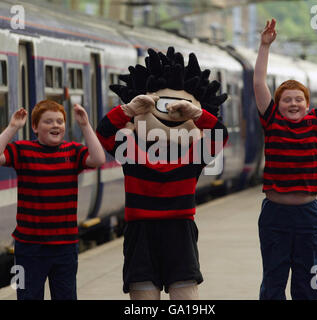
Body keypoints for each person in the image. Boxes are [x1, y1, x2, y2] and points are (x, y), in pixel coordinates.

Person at [96, 47, 228, 300]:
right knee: (151, 295)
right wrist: (130, 109)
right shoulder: (134, 149)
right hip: (145, 231)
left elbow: (219, 135)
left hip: (176, 230)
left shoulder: (186, 154)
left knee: (183, 295)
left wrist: (195, 112)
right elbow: (102, 133)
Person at [253, 18, 317, 300]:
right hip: (274, 215)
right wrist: (264, 46)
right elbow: (259, 82)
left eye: (299, 99)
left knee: (307, 283)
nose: (293, 103)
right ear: (278, 103)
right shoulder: (271, 120)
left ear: (308, 105)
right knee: (273, 281)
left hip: (308, 215)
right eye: (287, 99)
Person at [0, 100, 105, 300]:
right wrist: (13, 127)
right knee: (27, 296)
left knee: (66, 296)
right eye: (48, 121)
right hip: (28, 247)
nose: (55, 125)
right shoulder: (22, 151)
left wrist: (85, 125)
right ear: (35, 127)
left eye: (60, 121)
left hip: (65, 246)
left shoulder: (73, 151)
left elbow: (99, 159)